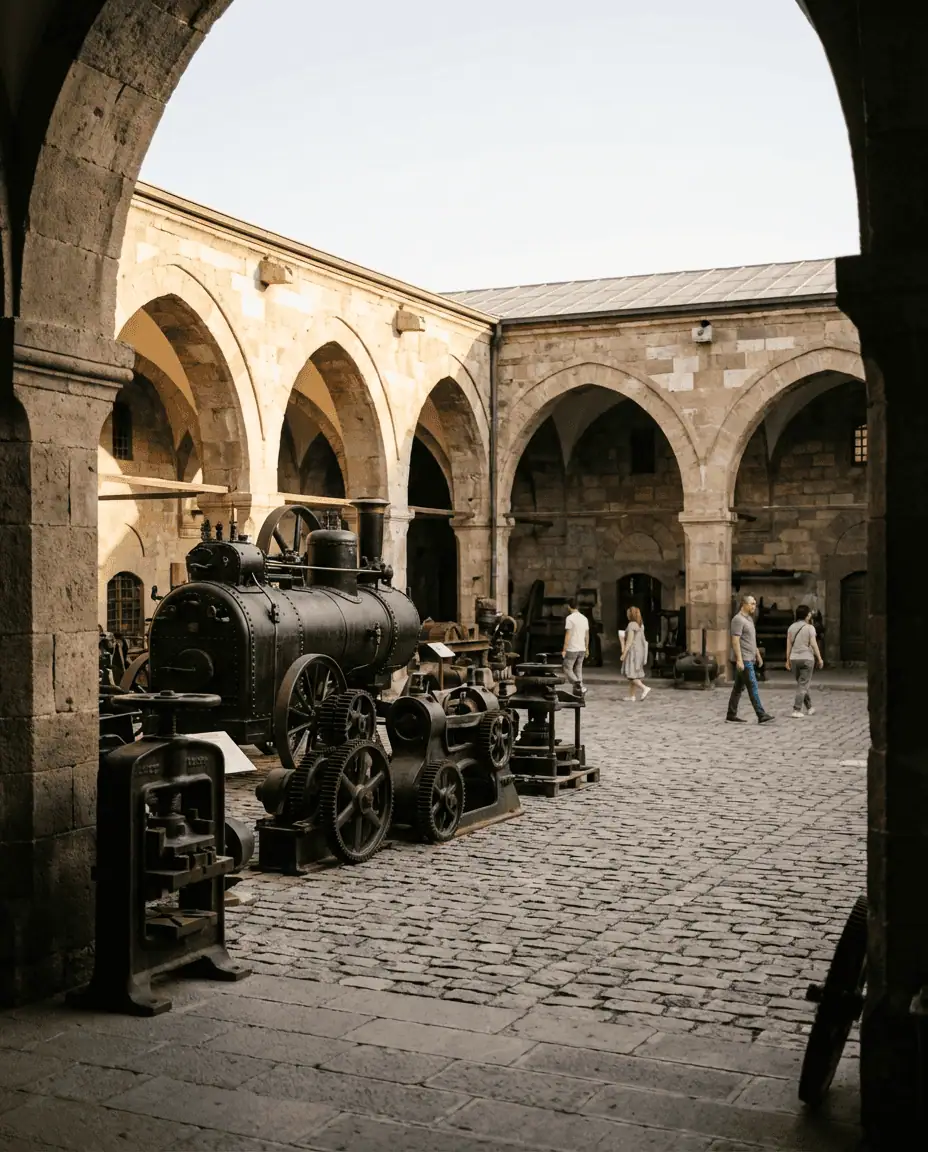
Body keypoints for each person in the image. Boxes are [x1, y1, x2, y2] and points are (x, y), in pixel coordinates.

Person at [727, 594, 774, 724]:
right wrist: (739, 660)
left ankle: (731, 714)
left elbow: (751, 640)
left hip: (750, 657)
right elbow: (735, 641)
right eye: (752, 604)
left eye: (755, 604)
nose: (755, 606)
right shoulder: (738, 620)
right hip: (745, 659)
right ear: (745, 604)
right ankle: (761, 714)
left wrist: (758, 655)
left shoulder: (749, 620)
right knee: (752, 685)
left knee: (737, 688)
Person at [785, 604, 824, 719]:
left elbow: (789, 645)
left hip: (794, 659)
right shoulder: (810, 628)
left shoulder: (791, 627)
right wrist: (820, 658)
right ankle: (796, 709)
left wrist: (787, 659)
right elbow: (813, 644)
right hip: (807, 658)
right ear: (807, 616)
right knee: (803, 685)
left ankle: (810, 707)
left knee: (802, 684)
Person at [620, 606, 651, 702]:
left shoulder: (631, 625)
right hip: (639, 652)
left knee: (630, 674)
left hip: (633, 652)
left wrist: (624, 653)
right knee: (634, 674)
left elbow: (629, 641)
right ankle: (632, 695)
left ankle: (644, 688)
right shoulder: (640, 625)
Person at [561, 598, 589, 695]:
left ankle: (580, 686)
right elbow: (587, 635)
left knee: (566, 667)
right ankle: (578, 691)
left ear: (569, 606)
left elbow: (568, 635)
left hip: (572, 648)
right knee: (578, 669)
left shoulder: (570, 618)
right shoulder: (584, 618)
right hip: (582, 647)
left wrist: (564, 649)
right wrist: (587, 647)